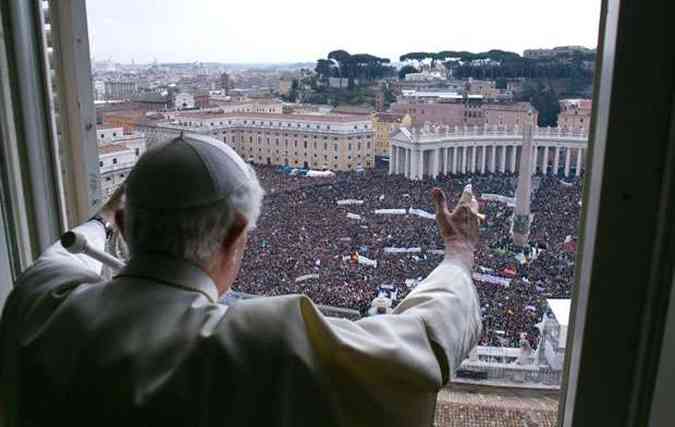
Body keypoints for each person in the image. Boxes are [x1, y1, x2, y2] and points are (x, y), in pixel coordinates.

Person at [0, 134, 482, 426]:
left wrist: (103, 219)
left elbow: (64, 254)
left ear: (126, 229)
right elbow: (423, 345)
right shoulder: (263, 341)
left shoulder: (40, 300)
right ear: (236, 234)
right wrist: (458, 254)